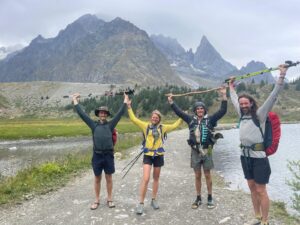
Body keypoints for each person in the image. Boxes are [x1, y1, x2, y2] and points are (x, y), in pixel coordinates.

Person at [228, 64, 288, 225]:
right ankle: (257, 216)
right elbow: (234, 99)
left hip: (259, 158)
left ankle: (266, 220)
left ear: (251, 103)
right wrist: (231, 87)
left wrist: (282, 75)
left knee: (261, 190)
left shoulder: (260, 115)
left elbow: (273, 96)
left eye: (246, 103)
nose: (243, 106)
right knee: (252, 188)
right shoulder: (241, 115)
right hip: (244, 157)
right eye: (241, 104)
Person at [168, 86, 227, 209]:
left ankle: (210, 197)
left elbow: (222, 110)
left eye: (202, 108)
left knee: (207, 174)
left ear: (204, 110)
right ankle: (198, 197)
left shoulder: (211, 119)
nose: (200, 110)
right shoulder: (190, 119)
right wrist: (171, 102)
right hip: (195, 151)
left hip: (207, 151)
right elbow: (179, 112)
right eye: (198, 109)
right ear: (195, 111)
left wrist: (224, 95)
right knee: (197, 175)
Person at [124, 95, 182, 215]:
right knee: (145, 179)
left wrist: (182, 116)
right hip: (148, 156)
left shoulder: (163, 128)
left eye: (157, 118)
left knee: (156, 178)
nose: (154, 119)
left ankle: (153, 200)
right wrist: (129, 107)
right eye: (153, 117)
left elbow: (176, 125)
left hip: (159, 156)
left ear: (159, 119)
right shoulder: (145, 126)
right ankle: (140, 203)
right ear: (151, 118)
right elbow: (134, 119)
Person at [72, 93, 127, 210]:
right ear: (98, 114)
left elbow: (120, 114)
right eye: (101, 112)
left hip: (108, 155)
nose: (102, 114)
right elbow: (82, 115)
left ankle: (110, 199)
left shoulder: (111, 125)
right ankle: (96, 200)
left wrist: (125, 100)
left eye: (104, 113)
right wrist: (75, 101)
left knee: (109, 178)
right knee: (97, 178)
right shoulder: (93, 125)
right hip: (97, 155)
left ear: (107, 115)